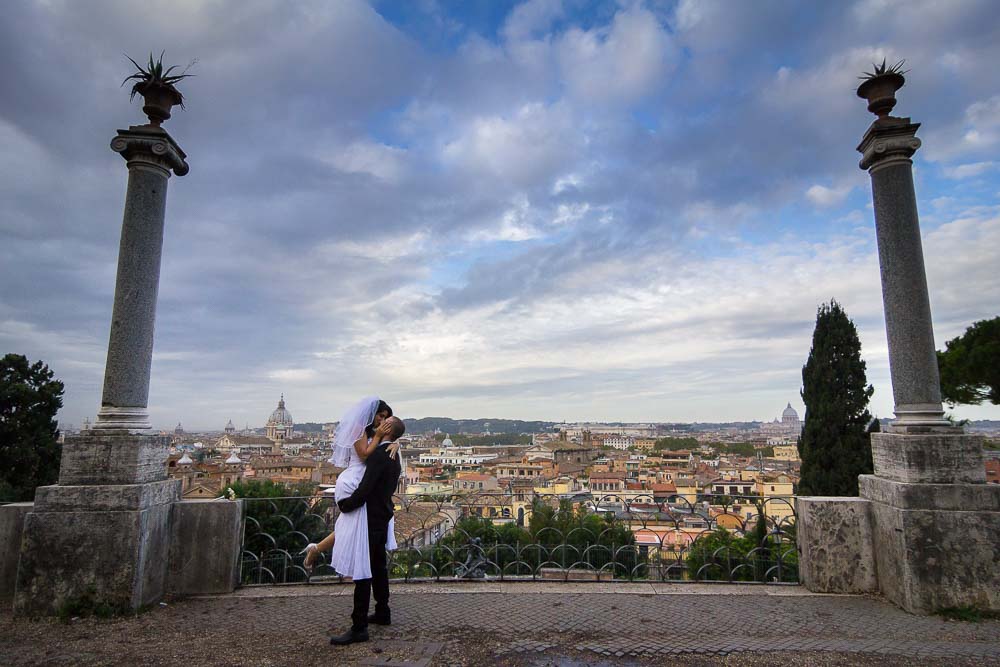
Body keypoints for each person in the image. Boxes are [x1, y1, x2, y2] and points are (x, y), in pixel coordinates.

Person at [301, 398, 399, 576]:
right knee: (353, 525)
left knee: (350, 526)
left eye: (386, 418)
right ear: (372, 413)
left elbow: (379, 449)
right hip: (354, 480)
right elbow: (364, 456)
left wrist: (393, 442)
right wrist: (379, 438)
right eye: (381, 416)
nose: (383, 421)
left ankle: (317, 550)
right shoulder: (358, 429)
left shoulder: (374, 432)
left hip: (367, 479)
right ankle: (354, 570)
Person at [330, 415, 405, 645]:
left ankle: (359, 626)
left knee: (362, 571)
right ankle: (383, 612)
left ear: (387, 428)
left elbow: (365, 488)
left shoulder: (380, 455)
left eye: (385, 421)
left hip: (369, 518)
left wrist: (346, 505)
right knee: (378, 566)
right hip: (383, 515)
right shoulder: (395, 455)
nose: (379, 422)